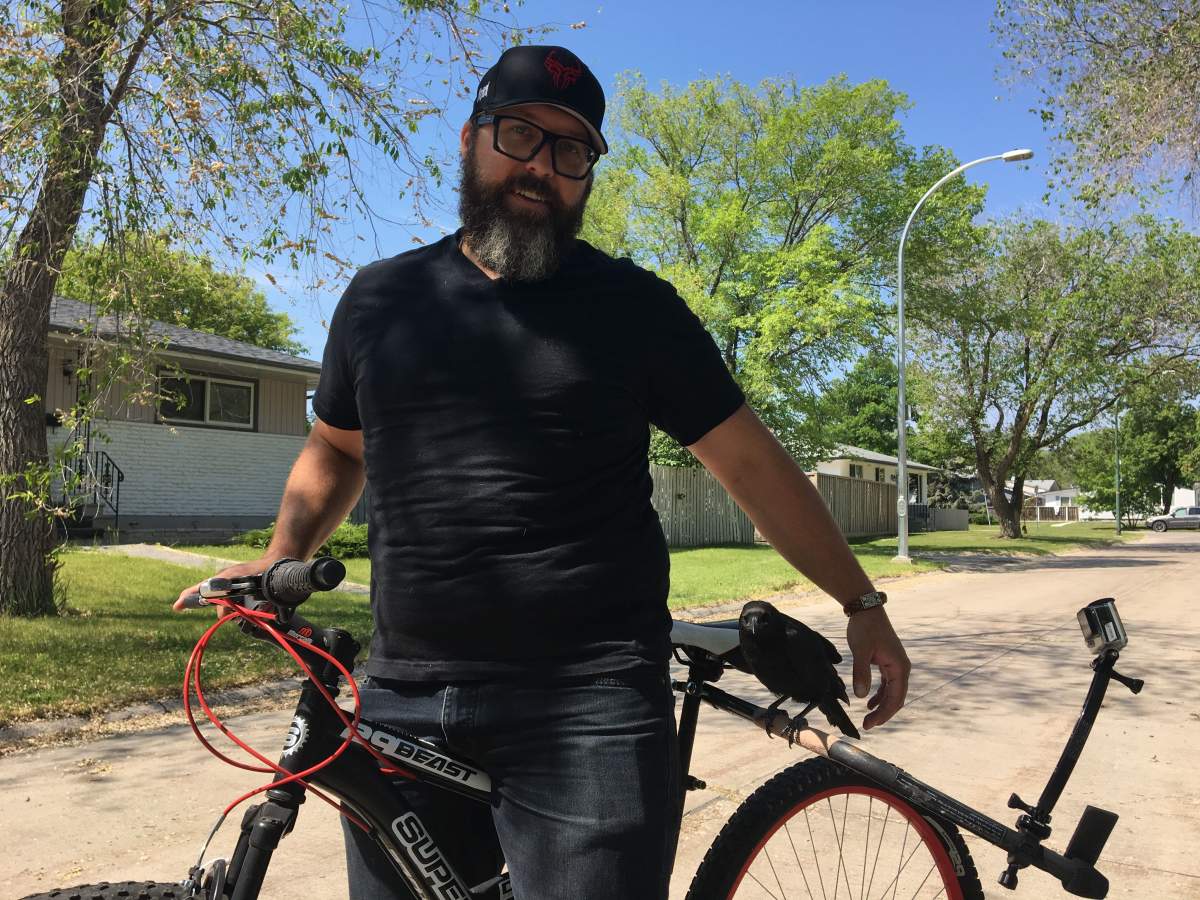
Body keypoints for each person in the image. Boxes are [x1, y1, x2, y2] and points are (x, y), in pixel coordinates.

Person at [176, 44, 911, 900]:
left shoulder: (637, 310)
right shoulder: (381, 301)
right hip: (405, 695)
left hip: (589, 706)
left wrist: (862, 604)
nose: (540, 166)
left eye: (570, 151)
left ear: (588, 173)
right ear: (470, 138)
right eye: (519, 134)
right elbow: (337, 447)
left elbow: (752, 465)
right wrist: (278, 556)